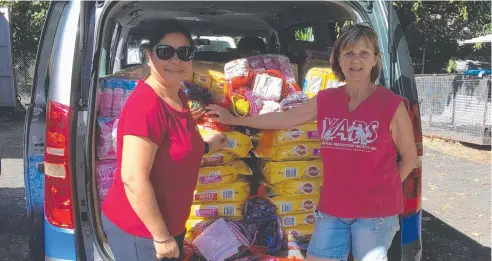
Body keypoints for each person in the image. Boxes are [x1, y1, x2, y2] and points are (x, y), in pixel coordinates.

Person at [206, 24, 418, 261]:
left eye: (363, 53)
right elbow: (285, 117)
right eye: (348, 53)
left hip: (376, 213)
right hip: (333, 209)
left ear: (375, 59)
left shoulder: (391, 104)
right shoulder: (328, 99)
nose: (355, 60)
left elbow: (409, 157)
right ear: (337, 59)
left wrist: (383, 189)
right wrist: (234, 118)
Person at [101, 21, 227, 261]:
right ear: (150, 56)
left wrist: (208, 146)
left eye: (184, 53)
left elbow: (173, 148)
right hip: (142, 232)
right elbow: (133, 179)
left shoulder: (178, 95)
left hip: (169, 226)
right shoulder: (146, 105)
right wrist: (162, 237)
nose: (175, 61)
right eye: (165, 52)